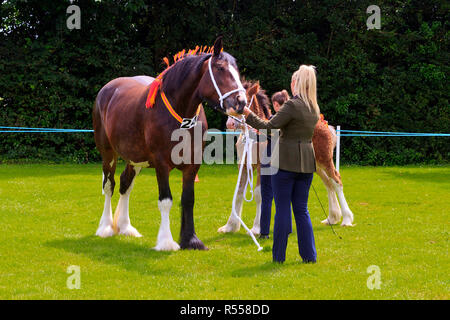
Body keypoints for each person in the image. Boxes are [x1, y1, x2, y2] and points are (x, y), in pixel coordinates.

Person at [241, 65, 320, 263]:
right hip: (307, 164)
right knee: (302, 210)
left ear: (296, 83)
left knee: (283, 208)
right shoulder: (313, 107)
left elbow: (269, 128)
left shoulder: (293, 105)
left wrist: (247, 113)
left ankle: (279, 257)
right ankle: (309, 256)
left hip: (285, 163)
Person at [259, 90, 290, 239]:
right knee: (284, 197)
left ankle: (264, 232)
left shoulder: (273, 120)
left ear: (277, 105)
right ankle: (287, 228)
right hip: (287, 161)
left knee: (266, 196)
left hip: (270, 160)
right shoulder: (292, 119)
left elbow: (264, 136)